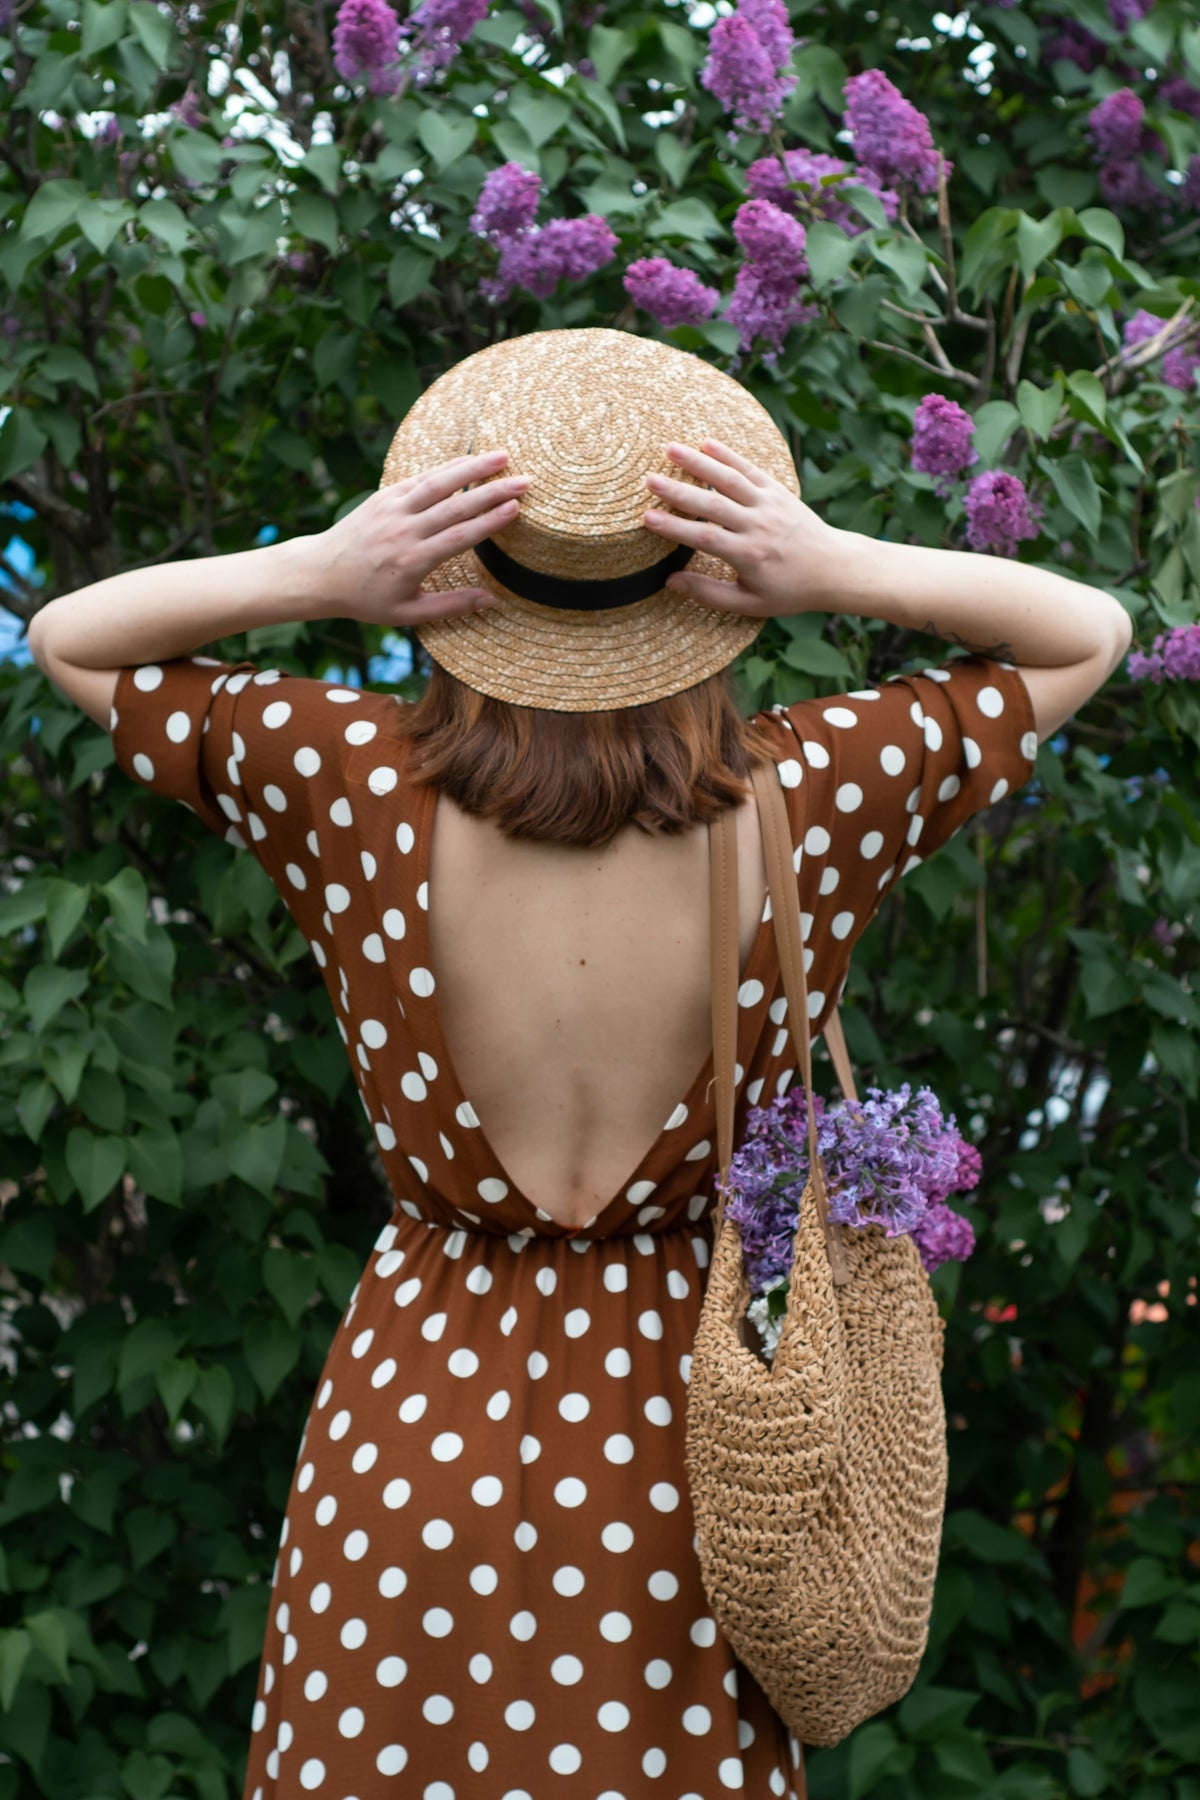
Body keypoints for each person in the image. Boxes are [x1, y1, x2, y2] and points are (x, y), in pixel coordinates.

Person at [29, 327, 1131, 1798]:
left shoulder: (345, 779)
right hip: (691, 1445)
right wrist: (826, 563)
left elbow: (73, 638)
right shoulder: (812, 797)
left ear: (462, 585)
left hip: (414, 1413)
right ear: (707, 597)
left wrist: (325, 574)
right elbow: (1082, 633)